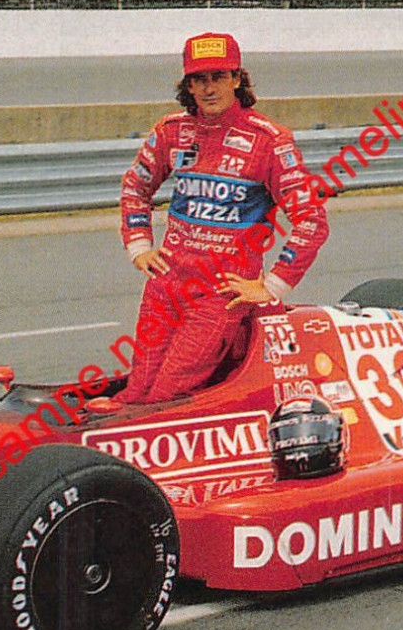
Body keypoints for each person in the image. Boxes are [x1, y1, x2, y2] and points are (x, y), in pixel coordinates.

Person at [117, 33, 330, 405]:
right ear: (188, 85)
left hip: (221, 295)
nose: (208, 88)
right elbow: (135, 186)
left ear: (237, 79)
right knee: (136, 392)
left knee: (166, 397)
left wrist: (272, 287)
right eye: (199, 79)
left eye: (218, 76)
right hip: (166, 287)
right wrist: (139, 247)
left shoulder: (269, 140)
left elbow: (311, 221)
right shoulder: (171, 131)